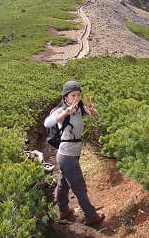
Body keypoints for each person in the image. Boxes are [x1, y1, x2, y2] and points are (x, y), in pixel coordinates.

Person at [44, 80, 105, 226]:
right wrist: (65, 112)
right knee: (79, 185)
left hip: (73, 153)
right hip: (66, 156)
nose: (76, 98)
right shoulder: (61, 110)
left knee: (64, 183)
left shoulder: (80, 109)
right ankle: (91, 216)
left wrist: (93, 109)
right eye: (73, 95)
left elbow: (96, 116)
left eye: (78, 94)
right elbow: (47, 123)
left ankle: (63, 210)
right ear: (65, 98)